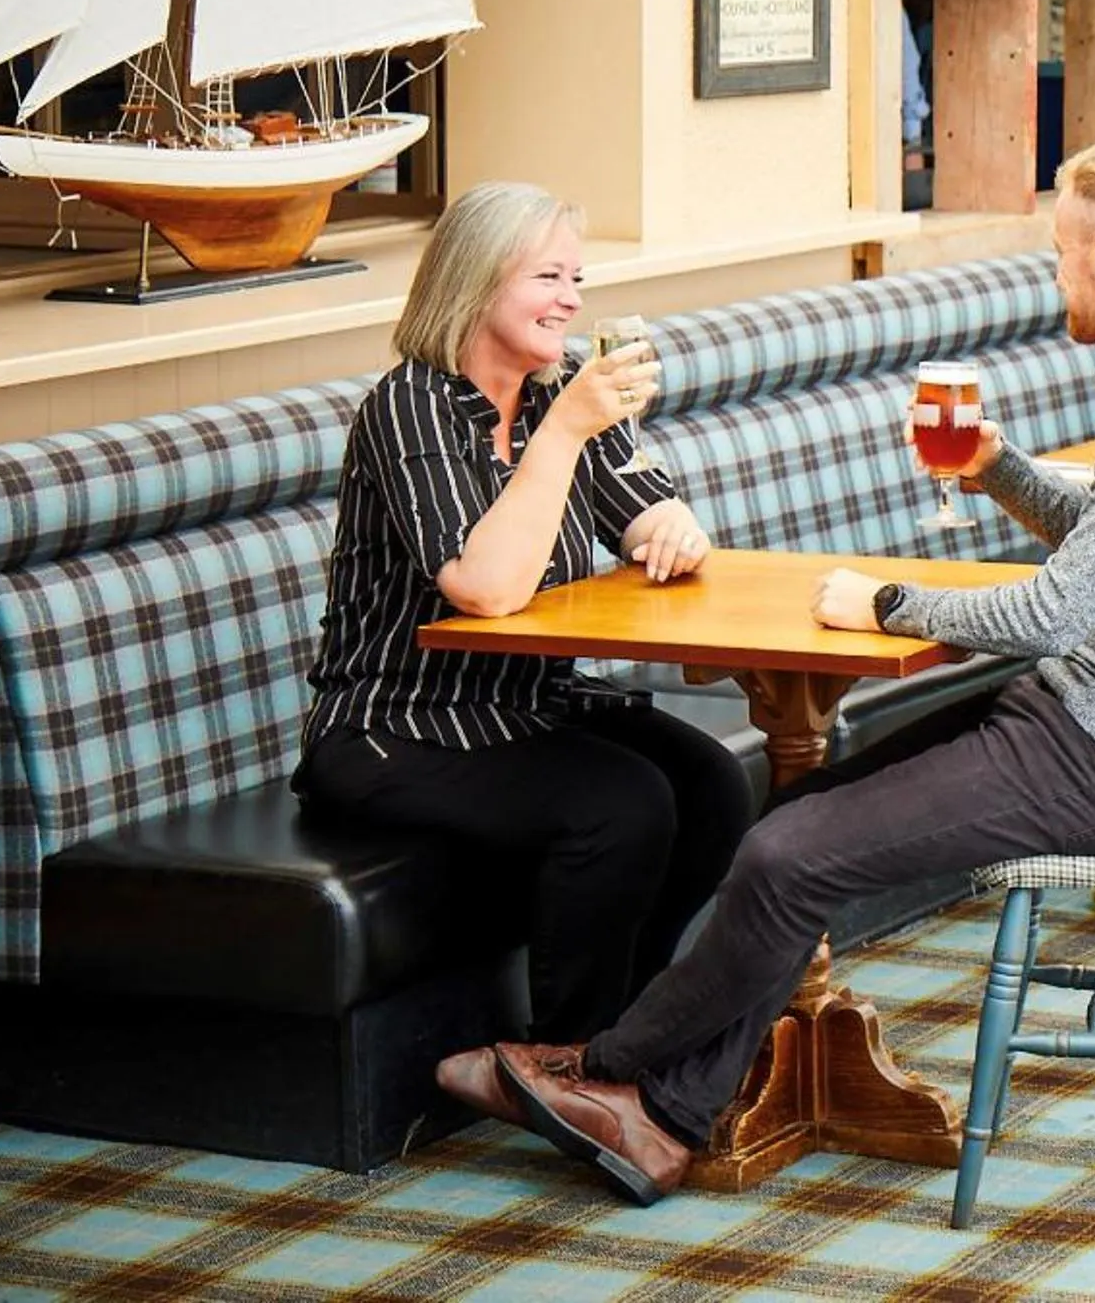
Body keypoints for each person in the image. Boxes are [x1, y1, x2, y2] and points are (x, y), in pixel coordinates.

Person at [435, 135, 1095, 1204]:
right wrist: (996, 467)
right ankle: (659, 1112)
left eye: (1054, 255)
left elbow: (1054, 610)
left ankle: (619, 1082)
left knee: (784, 856)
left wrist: (883, 603)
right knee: (798, 817)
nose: (1052, 280)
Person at [293, 182, 752, 1112]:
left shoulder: (559, 388)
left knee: (710, 783)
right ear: (475, 284)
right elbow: (486, 586)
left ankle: (627, 1031)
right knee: (618, 804)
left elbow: (650, 510)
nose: (572, 299)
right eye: (548, 276)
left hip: (523, 705)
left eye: (576, 276)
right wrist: (566, 430)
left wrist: (674, 528)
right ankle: (567, 1068)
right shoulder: (411, 407)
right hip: (394, 725)